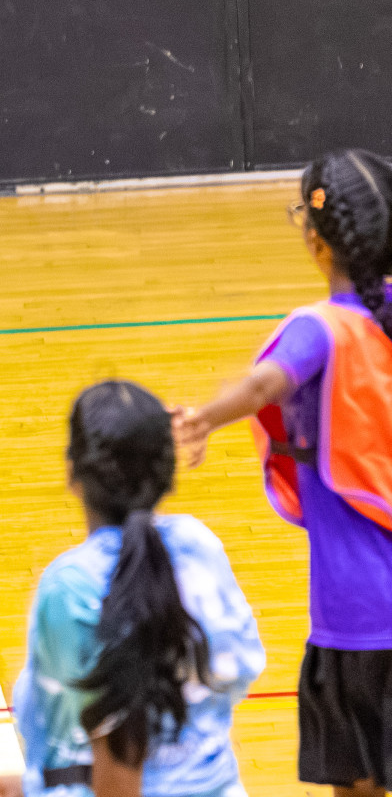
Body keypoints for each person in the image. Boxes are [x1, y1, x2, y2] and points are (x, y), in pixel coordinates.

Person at [174, 149, 392, 797]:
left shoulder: (322, 329)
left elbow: (267, 382)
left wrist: (202, 418)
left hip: (357, 616)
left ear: (315, 239)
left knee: (356, 785)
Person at [0, 381, 265, 797]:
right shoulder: (200, 547)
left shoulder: (71, 588)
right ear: (166, 475)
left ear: (74, 474)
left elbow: (120, 768)